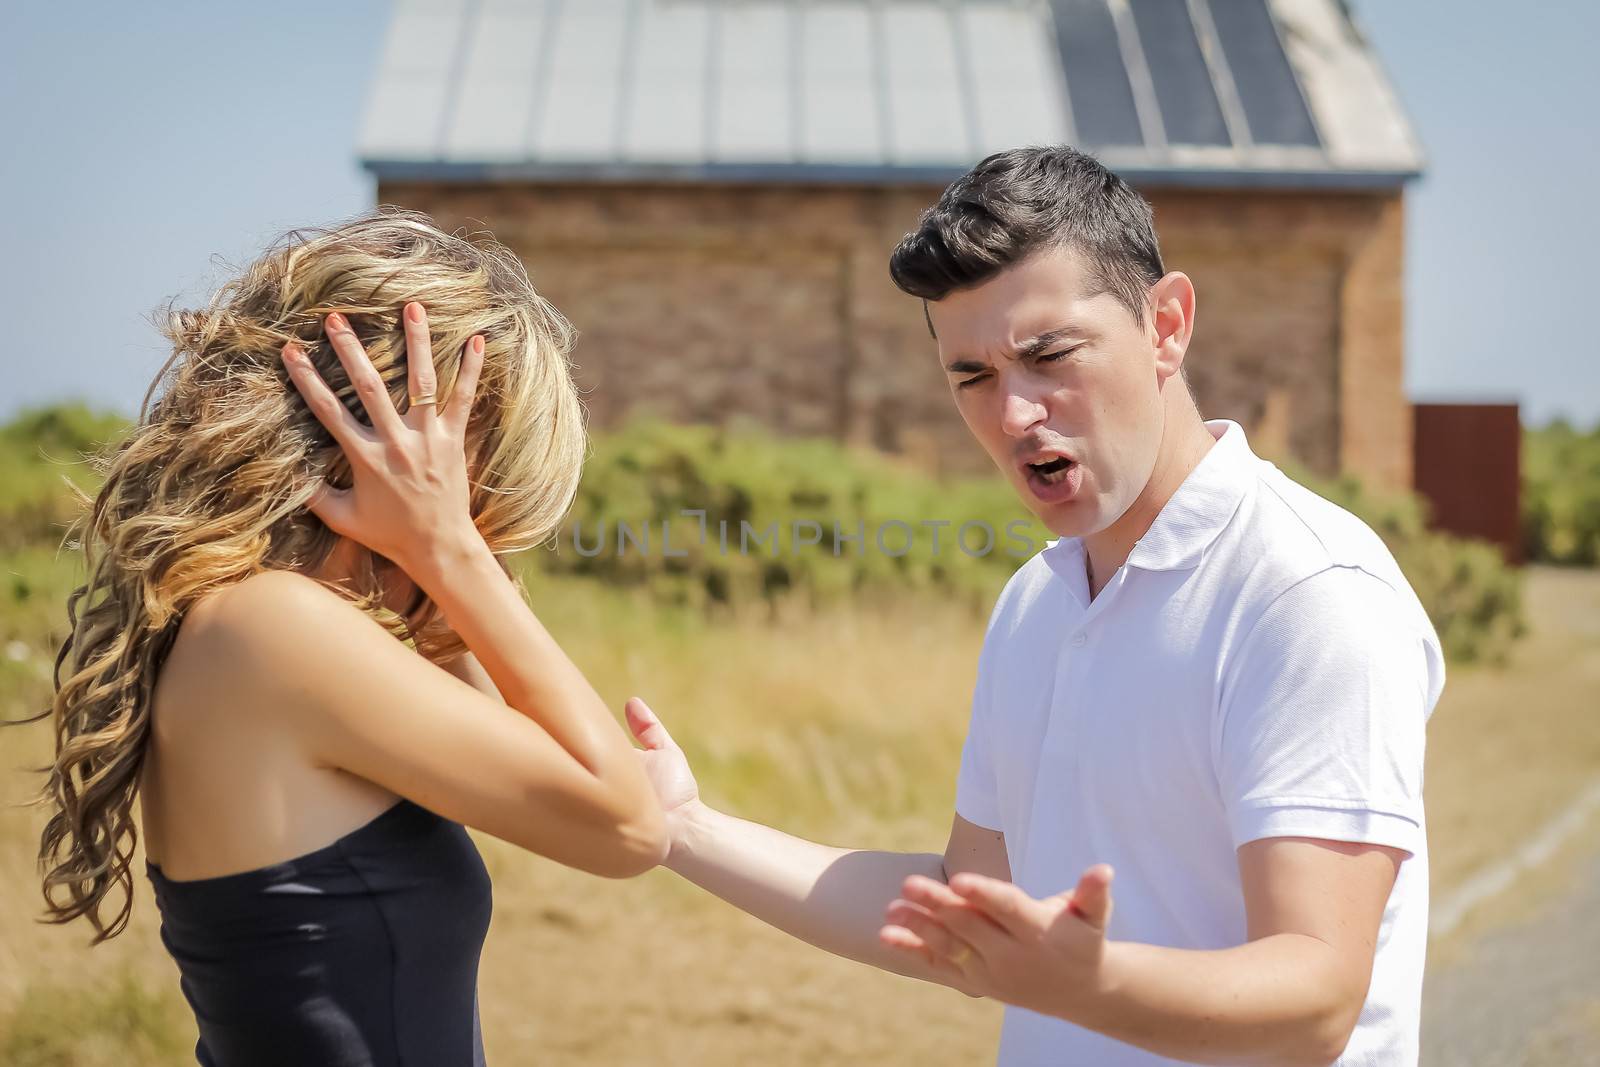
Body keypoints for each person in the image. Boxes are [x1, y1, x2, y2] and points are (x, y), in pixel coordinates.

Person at [625, 146, 1444, 1066]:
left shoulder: (1306, 593)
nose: (1013, 413)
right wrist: (682, 829)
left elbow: (1317, 997)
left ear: (1167, 324)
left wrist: (1088, 987)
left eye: (1048, 354)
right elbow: (965, 899)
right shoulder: (1037, 601)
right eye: (971, 376)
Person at [33, 212, 666, 1066]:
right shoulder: (270, 628)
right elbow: (624, 828)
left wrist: (441, 567)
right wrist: (446, 549)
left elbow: (559, 771)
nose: (487, 532)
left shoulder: (262, 626)